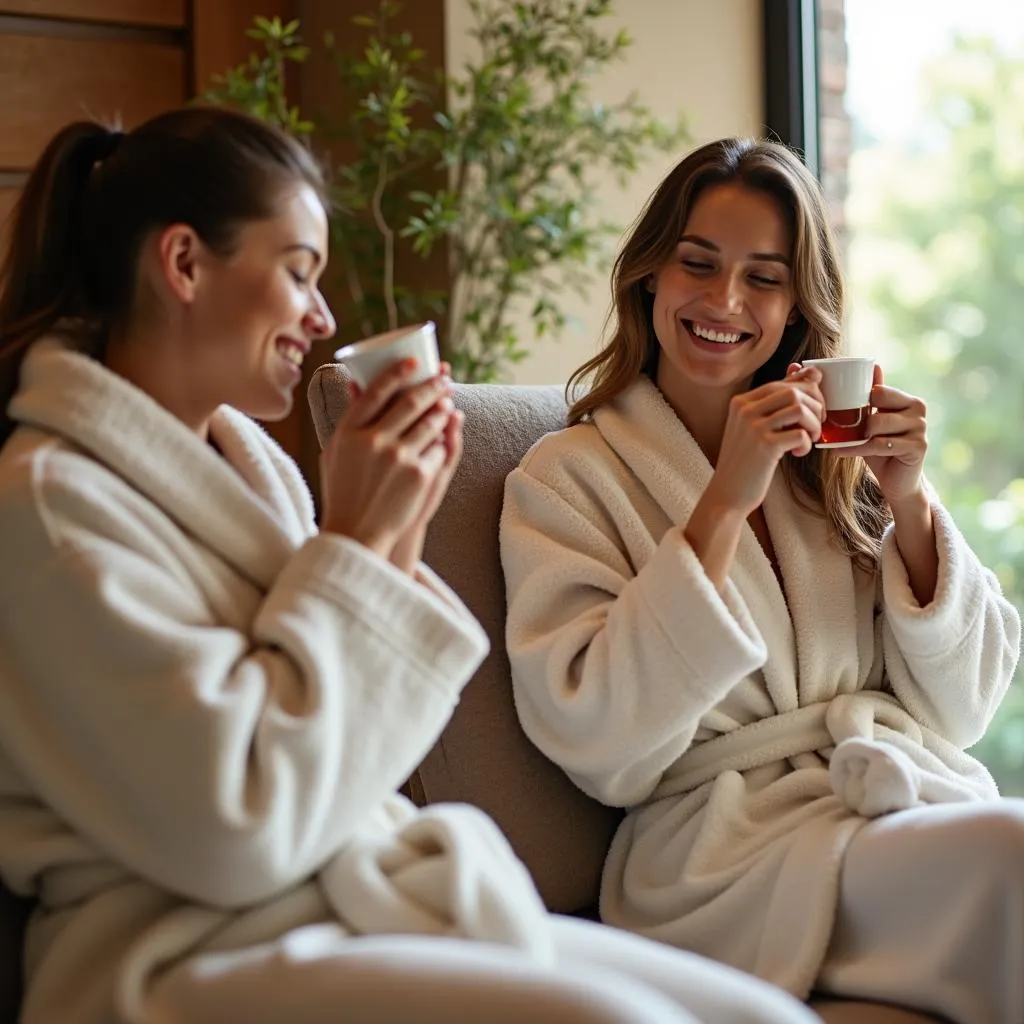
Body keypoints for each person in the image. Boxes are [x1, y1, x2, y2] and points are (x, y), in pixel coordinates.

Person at [0, 111, 819, 1024]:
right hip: (175, 948)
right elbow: (234, 828)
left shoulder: (246, 465)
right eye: (299, 272)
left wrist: (394, 525)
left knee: (764, 1017)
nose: (321, 316)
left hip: (331, 898)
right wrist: (353, 541)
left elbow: (341, 732)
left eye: (765, 280)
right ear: (185, 264)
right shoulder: (49, 506)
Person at [501, 137, 1023, 1024]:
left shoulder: (833, 465)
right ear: (650, 278)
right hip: (726, 854)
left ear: (794, 309)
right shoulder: (564, 478)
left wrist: (910, 502)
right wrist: (724, 500)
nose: (725, 302)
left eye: (764, 278)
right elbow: (597, 739)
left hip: (889, 799)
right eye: (697, 265)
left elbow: (965, 711)